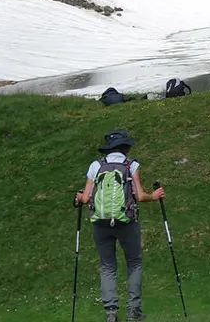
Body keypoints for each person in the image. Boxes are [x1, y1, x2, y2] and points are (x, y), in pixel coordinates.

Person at [74, 129, 165, 322]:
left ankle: (110, 313)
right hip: (126, 222)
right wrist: (154, 196)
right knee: (134, 262)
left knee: (107, 265)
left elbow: (86, 198)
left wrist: (78, 196)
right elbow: (140, 196)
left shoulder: (96, 165)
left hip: (100, 222)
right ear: (125, 147)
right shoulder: (131, 165)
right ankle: (133, 310)